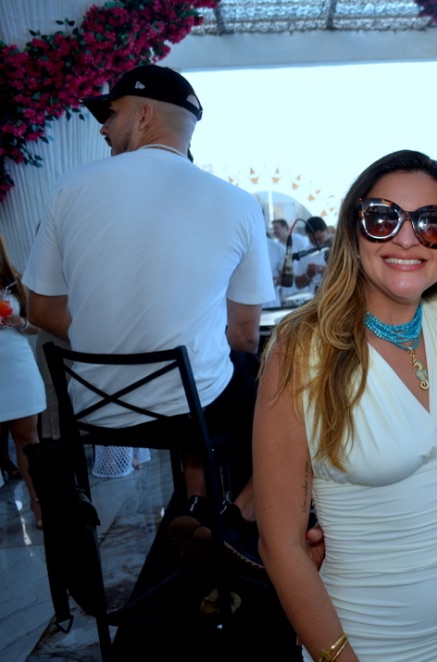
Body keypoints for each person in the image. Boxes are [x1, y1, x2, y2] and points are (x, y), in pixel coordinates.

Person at [254, 150, 437, 661]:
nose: (406, 238)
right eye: (382, 218)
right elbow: (281, 545)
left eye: (431, 222)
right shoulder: (300, 348)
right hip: (372, 642)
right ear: (354, 234)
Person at [22, 64, 273, 564]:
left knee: (213, 377)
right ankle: (237, 520)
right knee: (271, 387)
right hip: (191, 409)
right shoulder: (237, 203)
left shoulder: (70, 189)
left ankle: (199, 505)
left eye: (110, 114)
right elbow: (244, 335)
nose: (102, 127)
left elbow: (40, 309)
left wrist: (106, 337)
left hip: (93, 410)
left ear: (142, 116)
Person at [0, 234, 45, 529]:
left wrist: (22, 322)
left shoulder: (15, 281)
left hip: (17, 367)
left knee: (27, 440)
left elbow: (37, 324)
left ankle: (39, 504)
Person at [293, 216, 332, 292]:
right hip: (316, 295)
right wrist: (308, 275)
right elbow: (298, 285)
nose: (316, 243)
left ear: (327, 230)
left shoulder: (340, 247)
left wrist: (325, 270)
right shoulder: (305, 252)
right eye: (312, 240)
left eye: (319, 238)